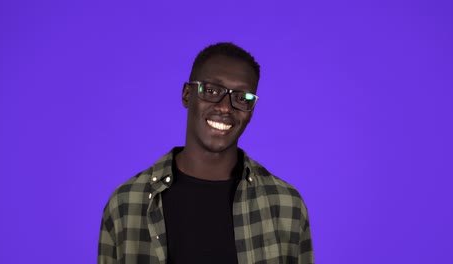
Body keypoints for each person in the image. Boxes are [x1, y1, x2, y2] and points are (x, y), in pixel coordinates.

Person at [98, 42, 314, 264]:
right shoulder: (127, 203)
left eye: (242, 98)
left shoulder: (286, 205)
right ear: (187, 94)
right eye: (211, 91)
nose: (225, 107)